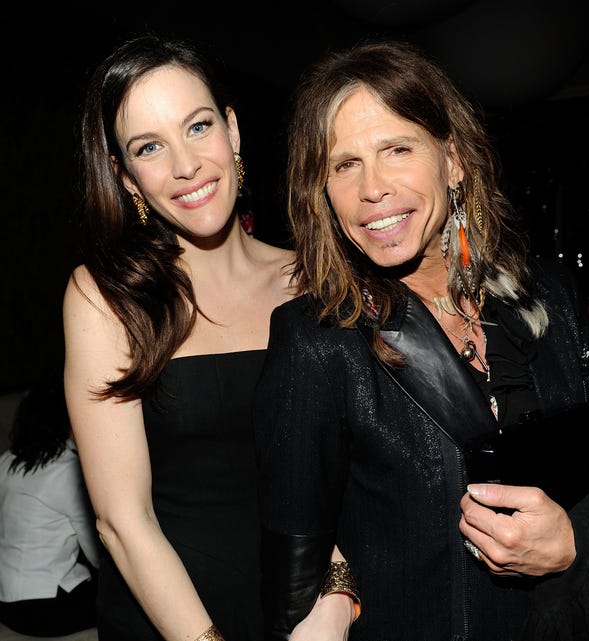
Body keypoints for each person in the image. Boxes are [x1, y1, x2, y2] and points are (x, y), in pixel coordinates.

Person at [254, 40, 589, 640]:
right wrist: (334, 596)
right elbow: (293, 572)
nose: (371, 188)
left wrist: (573, 541)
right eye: (344, 164)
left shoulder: (549, 296)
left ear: (453, 160)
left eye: (396, 149)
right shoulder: (317, 341)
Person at [62, 34, 356, 641]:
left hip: (305, 614)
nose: (185, 166)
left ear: (234, 131)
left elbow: (348, 474)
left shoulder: (316, 277)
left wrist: (334, 602)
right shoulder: (104, 297)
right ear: (127, 179)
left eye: (198, 128)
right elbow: (122, 520)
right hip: (167, 621)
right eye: (150, 147)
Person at [0, 367, 99, 637]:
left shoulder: (7, 461)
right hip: (44, 607)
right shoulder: (68, 469)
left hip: (6, 601)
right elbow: (96, 553)